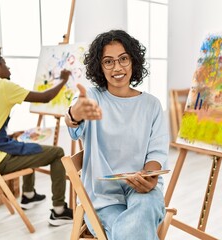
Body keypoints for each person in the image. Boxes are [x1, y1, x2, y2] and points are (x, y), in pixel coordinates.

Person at [65, 30, 169, 239]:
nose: (118, 67)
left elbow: (157, 152)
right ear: (100, 67)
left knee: (136, 221)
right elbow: (73, 123)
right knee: (132, 232)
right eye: (108, 62)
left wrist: (150, 177)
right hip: (103, 199)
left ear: (133, 61)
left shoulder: (152, 105)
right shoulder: (92, 97)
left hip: (143, 191)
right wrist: (74, 114)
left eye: (123, 59)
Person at [0, 45, 73, 226]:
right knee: (58, 153)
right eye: (5, 63)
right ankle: (59, 211)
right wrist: (63, 80)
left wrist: (9, 136)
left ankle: (29, 195)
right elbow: (45, 97)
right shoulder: (2, 86)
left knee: (24, 140)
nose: (9, 68)